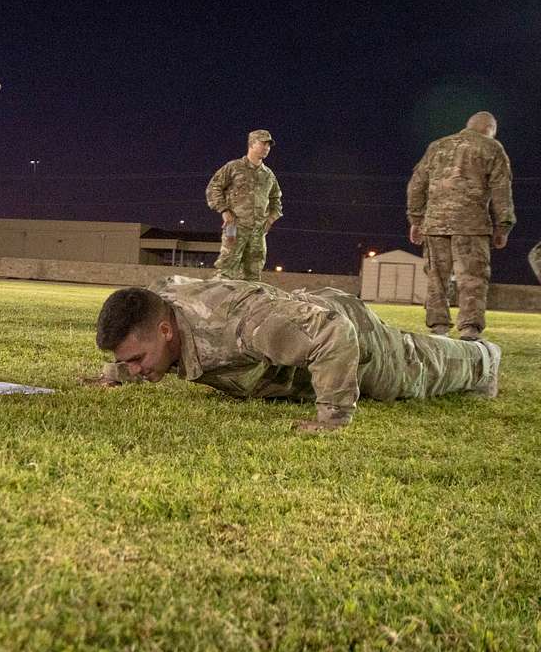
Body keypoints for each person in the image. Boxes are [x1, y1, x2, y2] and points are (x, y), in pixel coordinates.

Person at [90, 276, 501, 432]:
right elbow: (151, 334)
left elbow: (334, 336)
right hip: (298, 331)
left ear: (165, 332)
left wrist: (332, 418)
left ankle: (485, 357)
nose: (135, 368)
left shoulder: (241, 323)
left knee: (416, 369)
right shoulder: (162, 314)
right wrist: (117, 372)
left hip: (345, 331)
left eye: (136, 360)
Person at [407, 111, 515, 340]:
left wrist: (416, 220)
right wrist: (503, 226)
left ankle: (438, 328)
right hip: (472, 226)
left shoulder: (437, 146)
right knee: (472, 279)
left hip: (435, 225)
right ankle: (469, 329)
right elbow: (501, 190)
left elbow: (417, 185)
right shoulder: (492, 148)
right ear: (491, 129)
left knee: (436, 278)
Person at [205, 129, 282, 281]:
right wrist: (224, 210)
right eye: (263, 143)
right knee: (226, 270)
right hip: (234, 226)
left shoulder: (268, 174)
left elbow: (276, 199)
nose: (267, 148)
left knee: (253, 275)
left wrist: (271, 219)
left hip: (258, 232)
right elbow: (213, 188)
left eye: (269, 145)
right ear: (252, 144)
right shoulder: (234, 167)